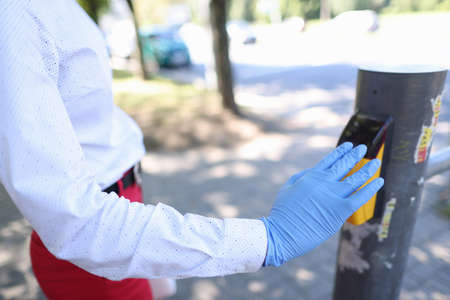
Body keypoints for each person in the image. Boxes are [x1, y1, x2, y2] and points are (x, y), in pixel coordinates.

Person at [0, 1, 384, 299]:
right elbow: (75, 221)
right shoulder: (13, 16)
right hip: (97, 251)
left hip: (124, 214)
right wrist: (269, 238)